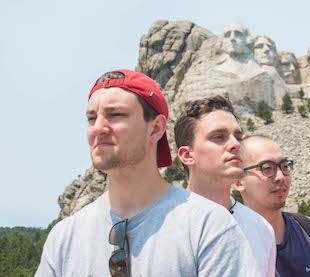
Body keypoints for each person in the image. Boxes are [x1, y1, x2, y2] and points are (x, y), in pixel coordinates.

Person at [36, 69, 259, 277]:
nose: (98, 128)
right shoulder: (64, 238)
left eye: (115, 115)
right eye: (92, 118)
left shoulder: (209, 226)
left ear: (156, 128)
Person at [174, 96, 276, 277]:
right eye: (218, 137)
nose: (236, 144)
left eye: (238, 136)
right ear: (188, 155)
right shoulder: (163, 226)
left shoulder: (262, 229)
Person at [234, 135, 310, 277]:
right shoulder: (228, 245)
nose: (280, 176)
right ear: (239, 182)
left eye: (284, 166)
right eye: (267, 168)